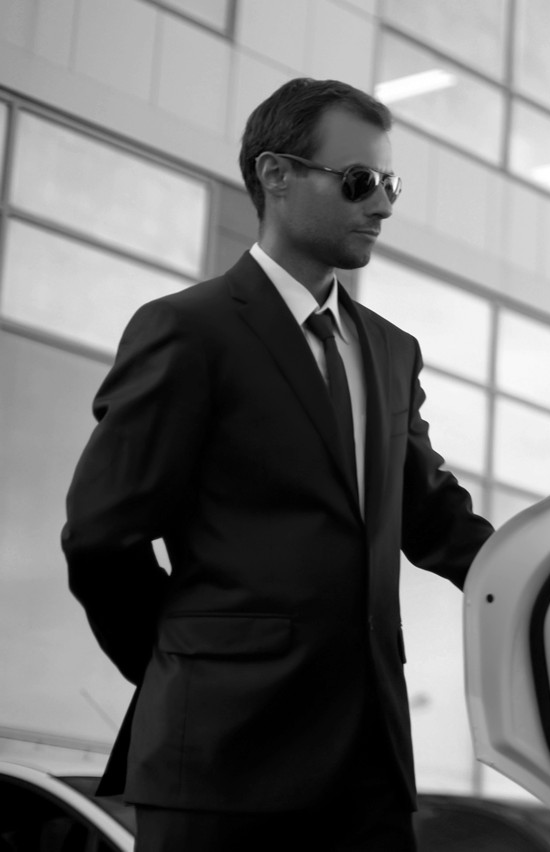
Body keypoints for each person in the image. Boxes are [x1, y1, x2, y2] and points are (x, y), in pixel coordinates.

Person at [61, 77, 494, 851]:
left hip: (368, 771)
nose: (384, 204)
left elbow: (434, 518)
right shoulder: (187, 333)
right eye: (360, 181)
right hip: (224, 765)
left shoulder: (391, 352)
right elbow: (103, 540)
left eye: (391, 183)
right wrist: (185, 676)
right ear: (276, 175)